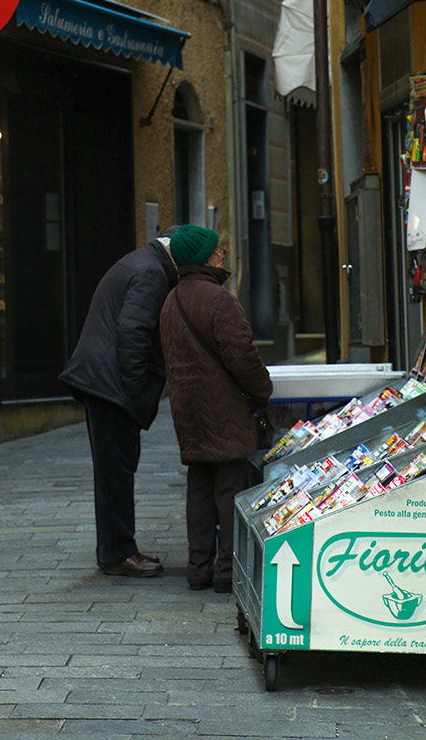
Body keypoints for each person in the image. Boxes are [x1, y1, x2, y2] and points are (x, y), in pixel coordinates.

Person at [60, 228, 179, 577]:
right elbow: (133, 332)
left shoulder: (142, 263)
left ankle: (116, 549)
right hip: (110, 386)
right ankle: (118, 553)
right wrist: (135, 389)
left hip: (103, 381)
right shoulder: (152, 273)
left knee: (114, 468)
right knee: (116, 471)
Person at [159, 224, 272, 593]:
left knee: (200, 486)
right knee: (229, 487)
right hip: (222, 408)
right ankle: (227, 572)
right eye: (217, 250)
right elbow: (242, 356)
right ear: (205, 257)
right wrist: (263, 390)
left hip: (187, 408)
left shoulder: (170, 300)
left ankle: (198, 569)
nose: (222, 253)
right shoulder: (218, 300)